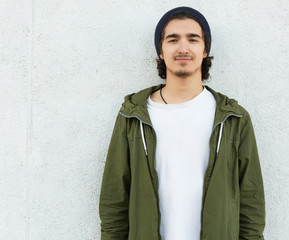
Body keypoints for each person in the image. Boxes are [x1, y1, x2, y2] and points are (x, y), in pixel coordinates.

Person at [99, 6, 266, 240]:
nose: (183, 48)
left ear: (205, 49)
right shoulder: (133, 116)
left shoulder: (234, 119)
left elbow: (251, 204)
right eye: (173, 39)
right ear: (161, 50)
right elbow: (114, 202)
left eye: (193, 39)